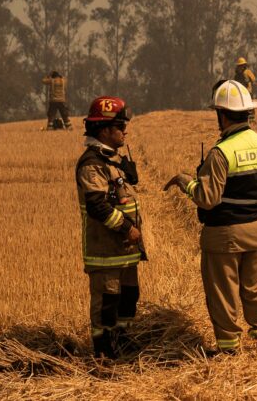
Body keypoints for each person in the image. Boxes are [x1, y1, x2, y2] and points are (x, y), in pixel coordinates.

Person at [164, 80, 257, 356]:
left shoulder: (221, 153)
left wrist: (186, 182)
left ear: (222, 114)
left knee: (223, 293)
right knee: (254, 289)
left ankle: (229, 349)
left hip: (224, 236)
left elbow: (208, 198)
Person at [76, 96, 145, 359]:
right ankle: (103, 353)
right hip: (105, 253)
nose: (125, 130)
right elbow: (97, 206)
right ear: (104, 130)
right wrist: (128, 228)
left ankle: (122, 341)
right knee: (107, 302)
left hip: (124, 252)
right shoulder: (92, 163)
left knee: (129, 297)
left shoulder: (111, 159)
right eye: (119, 125)